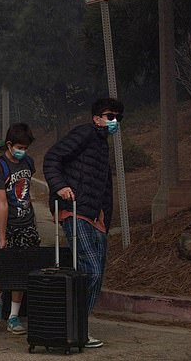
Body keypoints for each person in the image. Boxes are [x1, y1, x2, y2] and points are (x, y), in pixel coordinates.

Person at [43, 97, 124, 349]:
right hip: (74, 211)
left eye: (117, 118)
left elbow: (105, 187)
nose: (114, 122)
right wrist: (61, 187)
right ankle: (75, 325)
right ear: (96, 118)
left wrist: (105, 220)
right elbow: (52, 158)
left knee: (97, 275)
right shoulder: (85, 134)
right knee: (90, 270)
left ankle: (80, 326)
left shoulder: (102, 145)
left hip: (95, 218)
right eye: (110, 116)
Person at [0, 124, 39, 335]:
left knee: (23, 269)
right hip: (7, 224)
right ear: (9, 144)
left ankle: (14, 315)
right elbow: (2, 203)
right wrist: (2, 235)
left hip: (27, 222)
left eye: (25, 147)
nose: (22, 150)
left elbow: (27, 192)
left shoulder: (28, 162)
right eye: (19, 146)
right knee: (5, 267)